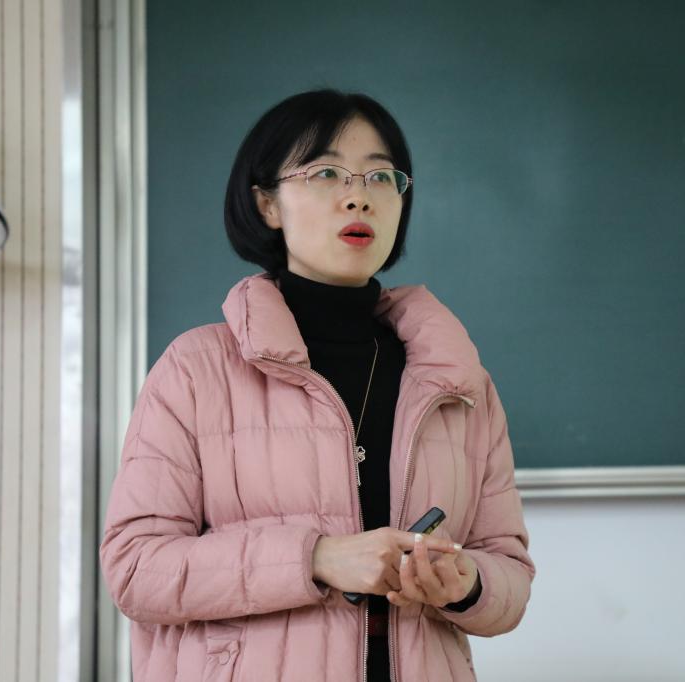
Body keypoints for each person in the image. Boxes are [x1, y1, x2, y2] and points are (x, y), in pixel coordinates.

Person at [100, 89, 535, 682]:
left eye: (381, 177)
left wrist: (467, 584)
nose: (359, 196)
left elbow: (510, 575)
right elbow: (135, 569)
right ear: (267, 204)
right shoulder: (196, 368)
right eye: (326, 173)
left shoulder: (457, 380)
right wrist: (317, 558)